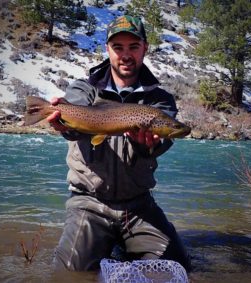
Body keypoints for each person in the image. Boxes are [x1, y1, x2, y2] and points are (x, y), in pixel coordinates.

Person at [49, 15, 191, 272]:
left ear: (145, 48)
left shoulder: (159, 100)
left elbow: (162, 143)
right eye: (118, 47)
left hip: (139, 205)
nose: (126, 55)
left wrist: (145, 145)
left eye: (133, 47)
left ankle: (123, 245)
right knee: (69, 272)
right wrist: (65, 126)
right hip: (89, 204)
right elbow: (75, 125)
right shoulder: (84, 89)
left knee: (176, 267)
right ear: (108, 50)